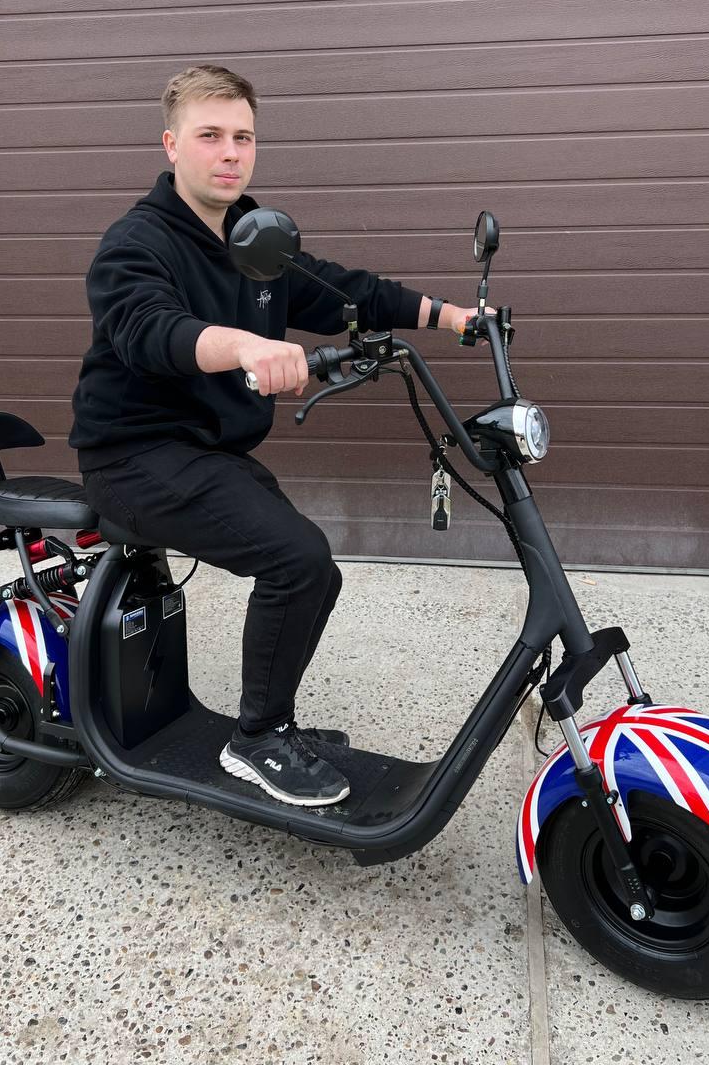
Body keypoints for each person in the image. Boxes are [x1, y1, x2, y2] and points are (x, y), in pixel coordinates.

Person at [70, 64, 480, 807]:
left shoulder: (255, 242)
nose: (231, 153)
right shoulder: (135, 244)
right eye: (210, 136)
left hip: (206, 455)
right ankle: (257, 739)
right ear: (172, 145)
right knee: (298, 561)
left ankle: (271, 720)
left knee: (314, 572)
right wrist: (245, 347)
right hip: (134, 456)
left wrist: (451, 317)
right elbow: (150, 329)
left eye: (244, 137)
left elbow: (346, 291)